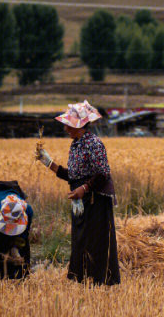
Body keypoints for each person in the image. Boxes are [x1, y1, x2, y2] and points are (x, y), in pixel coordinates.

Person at [36, 100, 120, 286]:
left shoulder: (94, 144)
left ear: (80, 124)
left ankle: (100, 281)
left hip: (96, 201)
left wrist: (84, 189)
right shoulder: (76, 144)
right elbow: (74, 176)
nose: (65, 128)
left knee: (96, 242)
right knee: (81, 240)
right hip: (83, 201)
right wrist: (48, 163)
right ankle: (84, 280)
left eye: (68, 124)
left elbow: (102, 174)